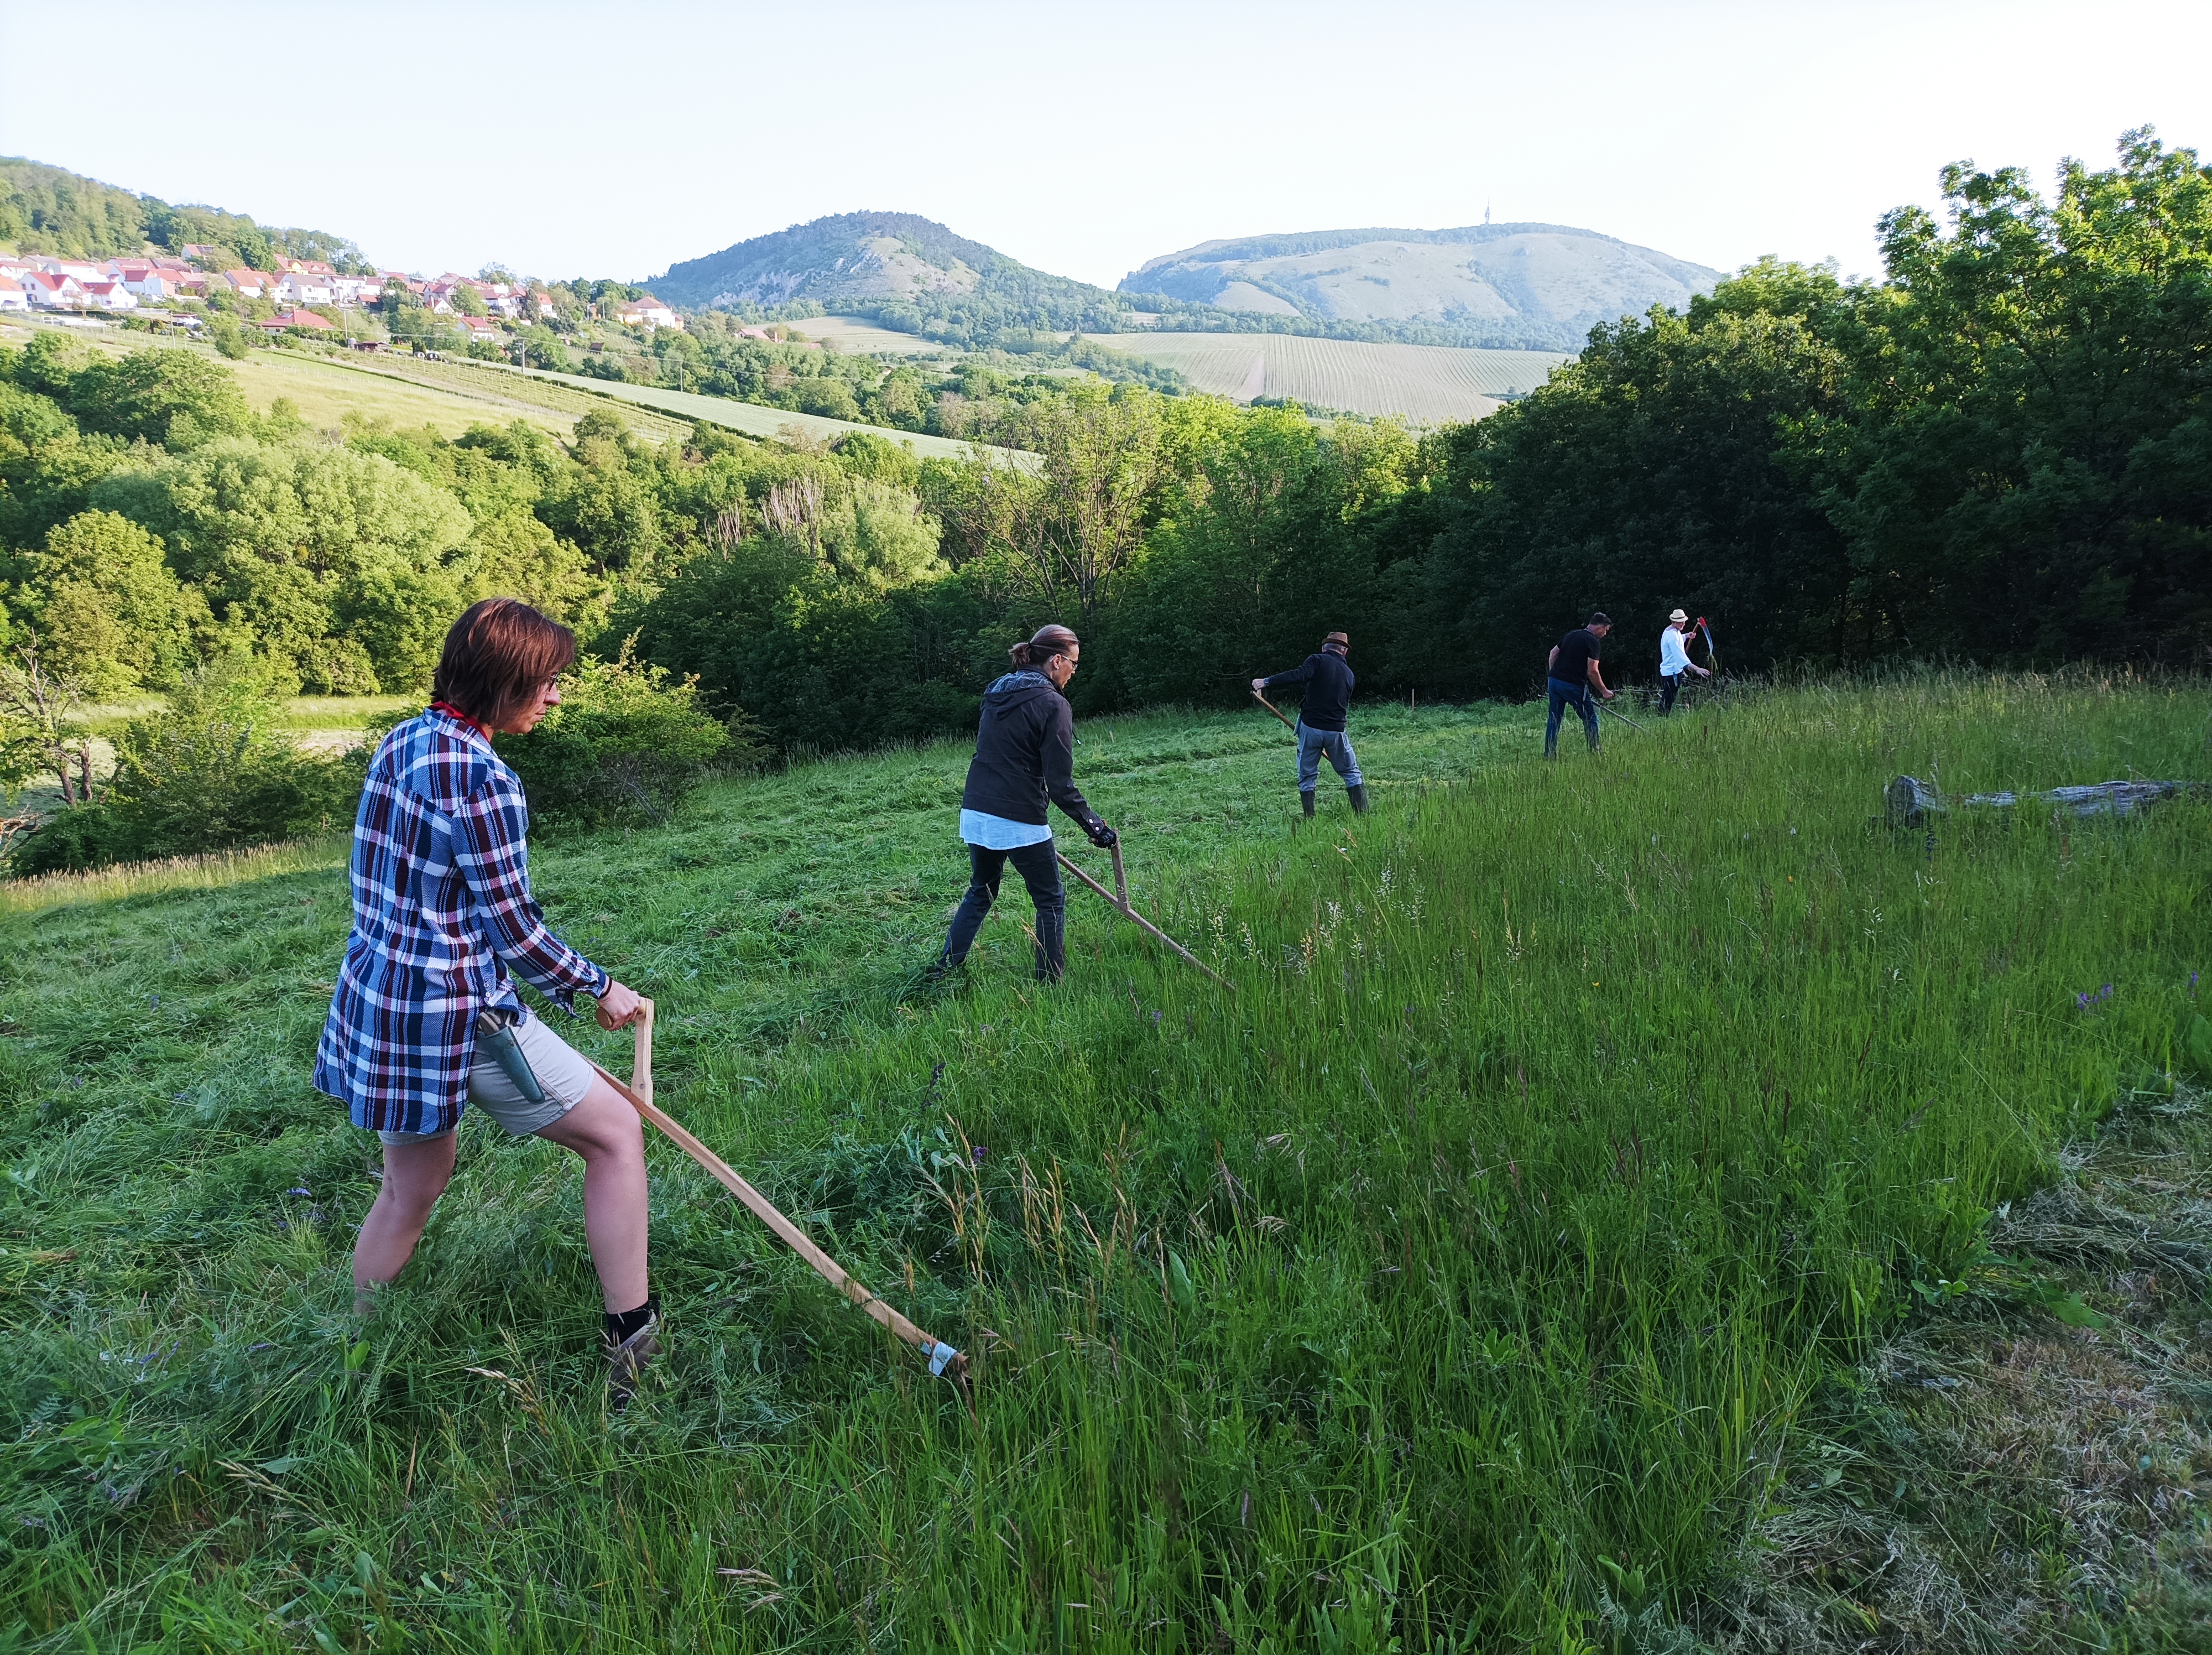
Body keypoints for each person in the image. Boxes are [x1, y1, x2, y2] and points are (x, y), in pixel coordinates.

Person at [314, 598, 660, 1407]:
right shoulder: (483, 776)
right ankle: (633, 1344)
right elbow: (513, 929)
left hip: (381, 997)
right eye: (544, 683)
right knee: (615, 1136)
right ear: (499, 679)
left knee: (414, 1182)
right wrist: (598, 989)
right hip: (455, 1012)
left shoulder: (405, 739)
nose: (554, 697)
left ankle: (354, 1348)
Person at [933, 623, 1117, 982]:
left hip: (975, 809)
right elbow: (1061, 785)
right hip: (1017, 817)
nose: (1075, 672)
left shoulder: (996, 690)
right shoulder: (1053, 704)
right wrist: (1096, 828)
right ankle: (1050, 983)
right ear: (1056, 661)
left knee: (981, 891)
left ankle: (944, 969)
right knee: (1050, 900)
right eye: (1074, 665)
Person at [1253, 630, 1367, 817]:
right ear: (1344, 652)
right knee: (1351, 773)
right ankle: (1363, 816)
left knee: (1307, 775)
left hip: (1311, 728)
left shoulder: (1317, 660)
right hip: (1336, 731)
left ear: (1324, 648)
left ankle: (1310, 818)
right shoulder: (1350, 675)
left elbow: (1299, 675)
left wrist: (1266, 682)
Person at [1545, 613, 1614, 757]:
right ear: (1600, 627)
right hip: (1573, 685)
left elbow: (1553, 654)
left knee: (1554, 718)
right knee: (1590, 718)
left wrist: (1554, 674)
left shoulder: (1572, 634)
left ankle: (1550, 754)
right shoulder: (1593, 642)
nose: (1605, 634)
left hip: (1554, 682)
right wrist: (1604, 691)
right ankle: (1595, 751)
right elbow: (1592, 671)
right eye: (1606, 630)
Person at [1658, 608, 1711, 715]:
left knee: (1669, 698)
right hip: (1672, 672)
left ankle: (1662, 718)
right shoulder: (1673, 636)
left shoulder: (1671, 630)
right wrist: (1697, 669)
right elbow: (1681, 658)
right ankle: (1661, 719)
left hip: (1671, 671)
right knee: (1668, 700)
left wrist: (1687, 636)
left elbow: (1678, 639)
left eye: (1683, 621)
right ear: (1675, 621)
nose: (1683, 624)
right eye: (1681, 622)